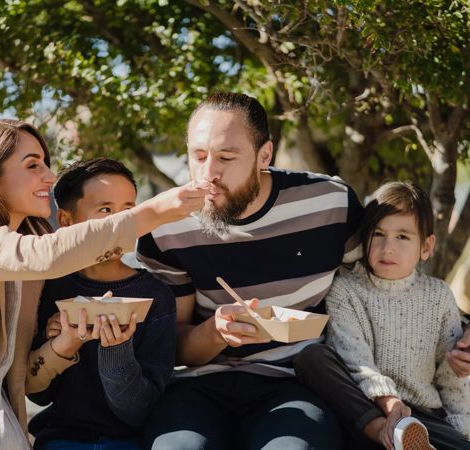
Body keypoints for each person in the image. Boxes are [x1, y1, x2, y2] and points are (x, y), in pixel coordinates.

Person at [0, 119, 207, 448]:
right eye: (32, 165)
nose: (49, 176)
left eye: (46, 163)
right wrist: (154, 212)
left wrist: (64, 344)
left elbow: (23, 378)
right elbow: (42, 254)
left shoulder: (28, 270)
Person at [136, 92, 365, 449]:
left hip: (297, 380)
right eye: (198, 157)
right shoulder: (168, 227)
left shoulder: (330, 203)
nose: (208, 174)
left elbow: (380, 288)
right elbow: (172, 348)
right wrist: (215, 333)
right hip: (199, 385)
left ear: (265, 155)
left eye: (226, 157)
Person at [26, 158, 177, 450]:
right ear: (67, 222)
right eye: (105, 210)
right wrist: (57, 343)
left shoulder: (155, 296)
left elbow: (138, 411)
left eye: (128, 211)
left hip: (132, 441)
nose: (120, 223)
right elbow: (38, 395)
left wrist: (117, 352)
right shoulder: (49, 287)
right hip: (61, 438)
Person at [323, 181, 470, 450]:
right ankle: (391, 435)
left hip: (423, 417)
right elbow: (356, 361)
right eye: (378, 234)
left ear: (426, 247)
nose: (387, 247)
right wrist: (390, 403)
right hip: (370, 411)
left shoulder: (438, 296)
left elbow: (451, 375)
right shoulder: (345, 291)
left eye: (402, 237)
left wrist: (462, 427)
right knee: (313, 359)